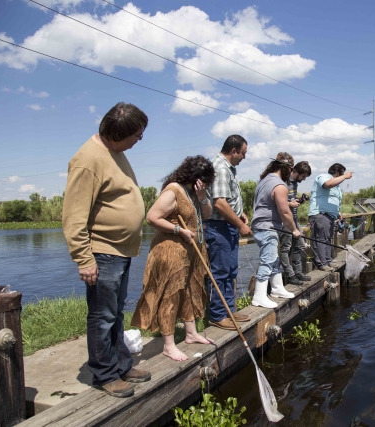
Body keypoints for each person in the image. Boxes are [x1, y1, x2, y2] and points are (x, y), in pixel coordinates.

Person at [62, 102, 151, 398]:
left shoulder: (115, 152)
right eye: (137, 135)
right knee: (102, 316)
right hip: (102, 252)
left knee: (116, 312)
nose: (140, 140)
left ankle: (121, 365)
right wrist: (83, 259)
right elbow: (74, 216)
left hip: (119, 251)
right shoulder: (88, 160)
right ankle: (104, 374)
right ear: (117, 133)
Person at [131, 156, 215, 362]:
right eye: (204, 181)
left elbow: (207, 215)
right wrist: (179, 230)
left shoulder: (195, 193)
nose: (205, 185)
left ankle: (191, 333)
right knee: (171, 295)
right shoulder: (173, 191)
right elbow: (152, 217)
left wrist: (203, 196)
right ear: (194, 176)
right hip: (171, 252)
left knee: (190, 292)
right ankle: (168, 345)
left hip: (191, 252)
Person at [205, 135, 252, 330]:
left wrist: (239, 213)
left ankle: (229, 310)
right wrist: (240, 225)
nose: (244, 157)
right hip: (219, 227)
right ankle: (217, 315)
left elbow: (228, 201)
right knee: (220, 272)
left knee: (231, 270)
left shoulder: (228, 168)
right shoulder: (221, 168)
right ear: (233, 151)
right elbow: (220, 203)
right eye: (243, 153)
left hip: (227, 226)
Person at [250, 152, 302, 308]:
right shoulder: (279, 185)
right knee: (268, 260)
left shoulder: (264, 180)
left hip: (260, 226)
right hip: (268, 227)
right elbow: (285, 212)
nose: (291, 173)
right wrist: (294, 230)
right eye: (291, 169)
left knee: (273, 258)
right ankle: (259, 296)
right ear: (286, 168)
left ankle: (277, 288)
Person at [307, 163, 353, 271]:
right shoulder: (323, 177)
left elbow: (332, 199)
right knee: (321, 238)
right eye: (341, 174)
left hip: (329, 215)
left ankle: (327, 261)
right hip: (320, 214)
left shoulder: (336, 186)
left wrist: (337, 212)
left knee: (327, 238)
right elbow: (327, 184)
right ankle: (322, 263)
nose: (343, 178)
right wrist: (345, 176)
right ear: (337, 173)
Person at [279, 161, 312, 285]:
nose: (304, 179)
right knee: (286, 248)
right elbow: (278, 202)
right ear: (296, 172)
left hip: (294, 218)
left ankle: (298, 272)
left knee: (300, 245)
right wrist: (290, 204)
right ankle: (290, 275)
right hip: (285, 219)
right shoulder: (284, 181)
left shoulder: (294, 183)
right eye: (303, 176)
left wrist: (298, 201)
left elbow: (290, 200)